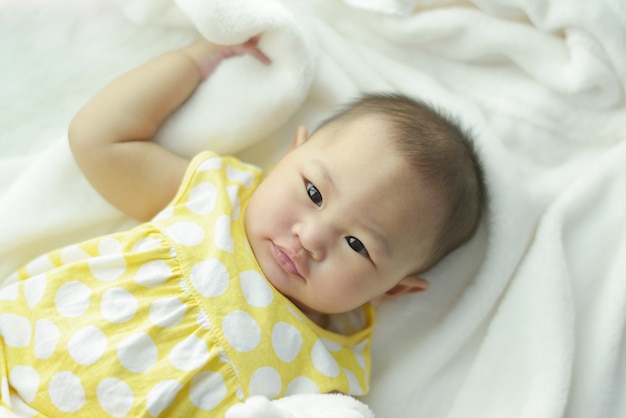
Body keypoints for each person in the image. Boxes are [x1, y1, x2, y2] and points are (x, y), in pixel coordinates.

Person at [0, 37, 486, 417]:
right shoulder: (213, 199)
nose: (311, 238)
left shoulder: (330, 374)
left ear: (394, 289)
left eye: (357, 245)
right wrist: (193, 61)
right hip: (13, 367)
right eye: (314, 192)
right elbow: (100, 139)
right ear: (290, 153)